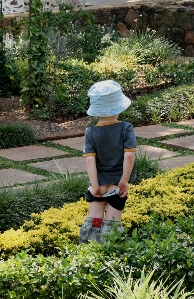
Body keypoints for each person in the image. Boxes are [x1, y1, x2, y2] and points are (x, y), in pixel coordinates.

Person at [79, 80, 136, 244]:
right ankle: (110, 254)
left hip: (99, 185)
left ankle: (87, 252)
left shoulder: (91, 132)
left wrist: (95, 185)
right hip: (117, 186)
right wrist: (124, 181)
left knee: (94, 221)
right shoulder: (126, 128)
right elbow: (129, 156)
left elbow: (90, 160)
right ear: (118, 108)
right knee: (112, 222)